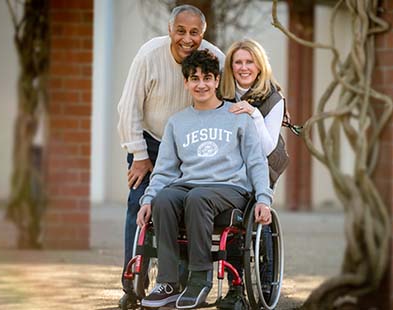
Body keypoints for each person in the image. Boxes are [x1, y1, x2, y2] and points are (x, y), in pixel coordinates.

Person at [136, 49, 273, 309]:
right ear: (186, 82)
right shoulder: (177, 122)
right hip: (189, 186)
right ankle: (168, 282)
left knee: (197, 198)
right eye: (194, 79)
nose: (201, 84)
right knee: (165, 199)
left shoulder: (237, 116)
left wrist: (264, 199)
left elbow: (256, 161)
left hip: (229, 188)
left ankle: (199, 280)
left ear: (217, 80)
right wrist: (149, 199)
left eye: (207, 78)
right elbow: (164, 170)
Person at [116, 5, 224, 308]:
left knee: (183, 209)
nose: (187, 39)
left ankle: (180, 284)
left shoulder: (216, 58)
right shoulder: (149, 55)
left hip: (191, 144)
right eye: (181, 31)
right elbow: (128, 109)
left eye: (194, 33)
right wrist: (139, 154)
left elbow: (235, 100)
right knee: (139, 203)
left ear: (202, 35)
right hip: (150, 141)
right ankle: (132, 284)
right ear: (170, 30)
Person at [217, 38, 286, 308]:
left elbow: (268, 146)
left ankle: (266, 280)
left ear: (259, 65)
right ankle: (233, 285)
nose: (244, 67)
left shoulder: (273, 97)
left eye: (249, 62)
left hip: (264, 162)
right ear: (231, 66)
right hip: (230, 164)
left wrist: (253, 113)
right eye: (238, 62)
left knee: (256, 214)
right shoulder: (222, 92)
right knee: (233, 221)